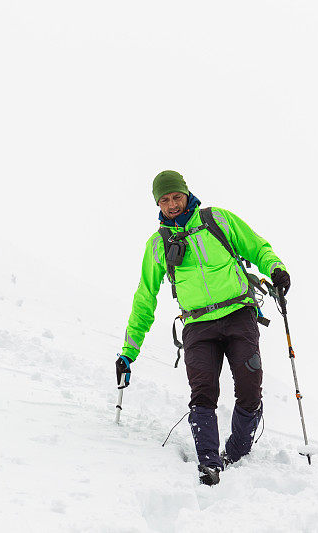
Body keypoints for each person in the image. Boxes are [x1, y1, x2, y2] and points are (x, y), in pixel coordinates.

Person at [115, 170, 291, 485]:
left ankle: (236, 452)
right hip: (197, 325)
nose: (171, 204)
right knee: (203, 393)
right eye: (164, 199)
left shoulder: (217, 220)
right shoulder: (157, 245)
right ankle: (209, 463)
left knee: (250, 388)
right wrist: (128, 352)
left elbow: (257, 247)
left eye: (175, 196)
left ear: (186, 194)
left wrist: (275, 268)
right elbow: (145, 299)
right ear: (158, 203)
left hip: (239, 314)